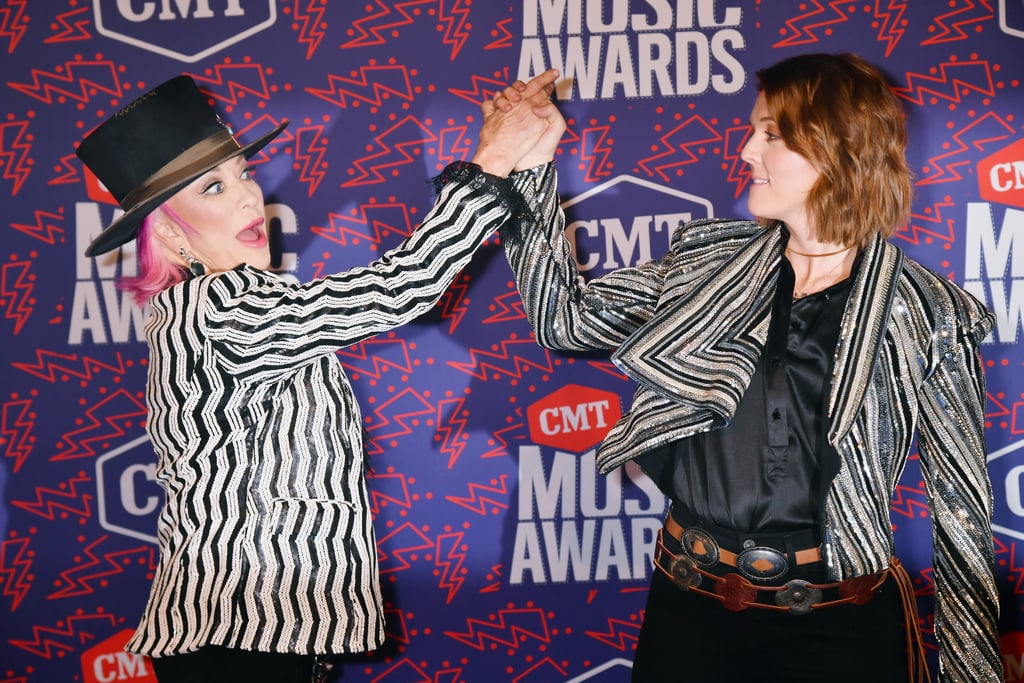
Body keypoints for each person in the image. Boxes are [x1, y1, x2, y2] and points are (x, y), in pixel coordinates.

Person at [496, 52, 1001, 681]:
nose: (745, 151)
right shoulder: (706, 265)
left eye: (770, 134)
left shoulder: (927, 312)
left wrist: (972, 671)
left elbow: (960, 511)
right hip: (691, 609)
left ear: (836, 150)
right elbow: (562, 320)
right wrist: (534, 166)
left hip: (837, 627)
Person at [75, 69, 561, 683]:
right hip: (237, 650)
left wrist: (524, 156)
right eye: (214, 189)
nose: (250, 197)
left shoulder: (223, 311)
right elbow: (401, 287)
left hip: (260, 642)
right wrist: (491, 158)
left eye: (244, 175)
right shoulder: (220, 311)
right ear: (171, 233)